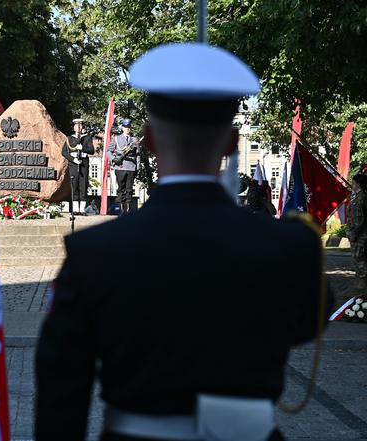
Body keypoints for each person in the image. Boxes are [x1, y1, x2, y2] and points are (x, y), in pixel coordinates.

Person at [36, 43, 333, 441]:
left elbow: (62, 386)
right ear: (232, 142)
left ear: (148, 139)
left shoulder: (95, 252)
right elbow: (306, 322)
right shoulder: (290, 245)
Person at [108, 119, 141, 213]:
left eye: (129, 127)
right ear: (122, 128)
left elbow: (138, 154)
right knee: (121, 189)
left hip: (131, 167)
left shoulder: (134, 140)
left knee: (129, 189)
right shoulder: (116, 138)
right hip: (120, 166)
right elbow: (108, 151)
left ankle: (128, 210)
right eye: (126, 127)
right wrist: (113, 159)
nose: (127, 129)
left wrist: (137, 167)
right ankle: (122, 210)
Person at [62, 118, 94, 213]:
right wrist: (73, 159)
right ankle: (75, 209)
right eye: (77, 125)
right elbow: (64, 152)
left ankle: (82, 209)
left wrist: (83, 148)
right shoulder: (69, 138)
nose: (79, 127)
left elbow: (91, 151)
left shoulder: (87, 138)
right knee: (74, 186)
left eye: (80, 126)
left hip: (83, 164)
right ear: (74, 127)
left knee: (83, 186)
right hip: (74, 165)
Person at [347, 173, 367, 290]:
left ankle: (362, 288)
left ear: (358, 184)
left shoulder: (360, 198)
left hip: (360, 236)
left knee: (360, 261)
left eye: (353, 183)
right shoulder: (359, 196)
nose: (352, 185)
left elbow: (359, 220)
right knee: (360, 260)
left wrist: (353, 234)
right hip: (360, 235)